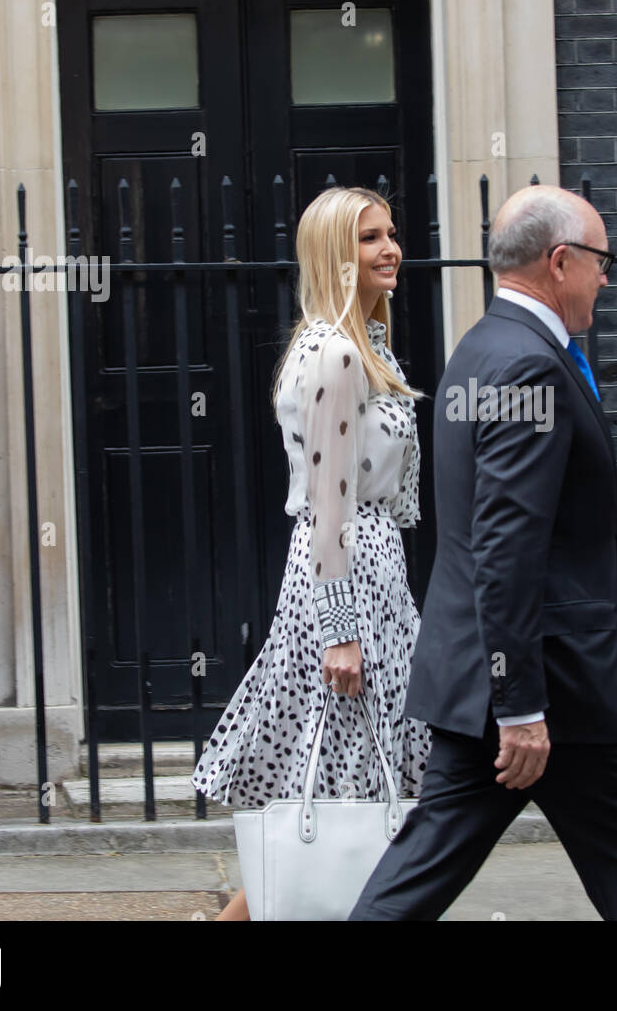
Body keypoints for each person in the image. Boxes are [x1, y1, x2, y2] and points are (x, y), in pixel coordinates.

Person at [349, 184, 617, 921]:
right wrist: (520, 707)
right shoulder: (532, 366)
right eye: (601, 262)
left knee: (418, 878)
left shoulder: (481, 349)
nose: (606, 278)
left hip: (492, 676)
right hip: (546, 686)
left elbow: (529, 537)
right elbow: (505, 545)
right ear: (560, 261)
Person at [190, 186, 431, 921]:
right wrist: (341, 632)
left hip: (372, 579)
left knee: (342, 791)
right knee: (336, 791)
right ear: (334, 254)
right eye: (369, 238)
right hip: (344, 583)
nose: (390, 247)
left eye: (390, 233)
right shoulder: (334, 354)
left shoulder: (365, 344)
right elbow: (330, 505)